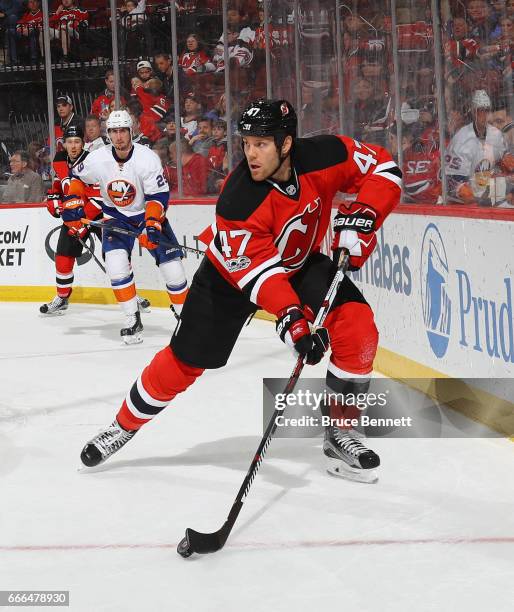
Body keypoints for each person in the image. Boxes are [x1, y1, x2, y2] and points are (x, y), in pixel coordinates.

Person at [80, 99, 402, 485]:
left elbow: (384, 167)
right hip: (230, 278)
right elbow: (260, 278)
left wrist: (366, 213)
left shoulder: (325, 154)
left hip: (298, 264)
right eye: (247, 143)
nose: (250, 153)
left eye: (261, 143)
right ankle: (123, 426)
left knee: (357, 325)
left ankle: (341, 432)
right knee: (184, 362)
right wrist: (293, 321)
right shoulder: (238, 199)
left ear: (286, 143)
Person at [68, 110, 188, 342]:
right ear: (108, 134)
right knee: (116, 267)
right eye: (114, 131)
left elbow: (158, 197)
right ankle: (132, 317)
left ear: (131, 132)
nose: (119, 136)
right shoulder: (96, 158)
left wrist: (152, 225)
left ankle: (185, 317)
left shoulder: (148, 158)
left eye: (123, 130)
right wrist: (73, 201)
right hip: (115, 217)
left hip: (147, 215)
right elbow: (77, 178)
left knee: (173, 270)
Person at [39, 124, 101, 314]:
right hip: (73, 216)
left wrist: (85, 222)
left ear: (83, 143)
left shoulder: (92, 162)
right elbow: (58, 187)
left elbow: (100, 196)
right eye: (69, 142)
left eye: (77, 142)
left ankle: (131, 295)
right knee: (63, 257)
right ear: (63, 144)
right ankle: (62, 297)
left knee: (116, 254)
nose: (73, 146)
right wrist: (54, 200)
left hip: (98, 213)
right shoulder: (60, 162)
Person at [445, 89, 514, 205]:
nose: (484, 114)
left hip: (493, 195)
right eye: (480, 110)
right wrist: (461, 190)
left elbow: (505, 162)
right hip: (470, 201)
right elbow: (452, 179)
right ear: (473, 112)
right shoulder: (461, 139)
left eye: (487, 110)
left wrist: (506, 160)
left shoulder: (496, 134)